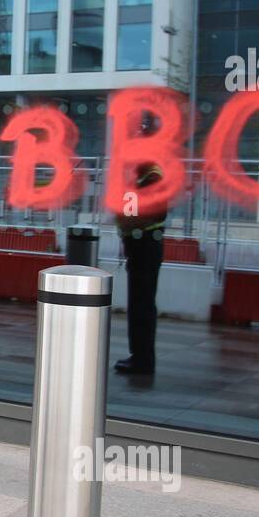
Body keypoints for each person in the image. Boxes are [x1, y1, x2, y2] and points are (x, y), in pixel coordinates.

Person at [115, 159, 166, 376]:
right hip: (140, 246)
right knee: (138, 304)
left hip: (144, 246)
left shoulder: (152, 178)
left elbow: (141, 213)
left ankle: (143, 360)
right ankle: (139, 356)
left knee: (142, 304)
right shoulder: (144, 178)